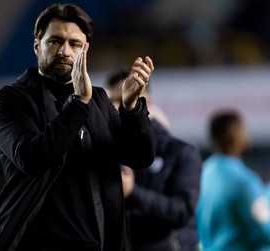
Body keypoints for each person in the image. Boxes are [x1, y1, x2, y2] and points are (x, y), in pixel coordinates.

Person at [0, 3, 156, 251]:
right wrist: (79, 102)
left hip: (96, 244)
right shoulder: (10, 100)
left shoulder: (99, 100)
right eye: (55, 41)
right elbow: (34, 159)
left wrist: (131, 107)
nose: (64, 51)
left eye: (75, 44)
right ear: (37, 46)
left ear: (85, 49)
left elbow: (140, 156)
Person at [106, 70, 203, 251]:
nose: (115, 106)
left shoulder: (181, 152)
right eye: (111, 101)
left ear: (146, 102)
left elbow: (182, 211)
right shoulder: (108, 153)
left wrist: (133, 192)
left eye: (124, 97)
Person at [196, 108, 270, 250]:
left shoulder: (201, 174)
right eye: (244, 130)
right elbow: (264, 231)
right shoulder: (243, 180)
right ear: (234, 135)